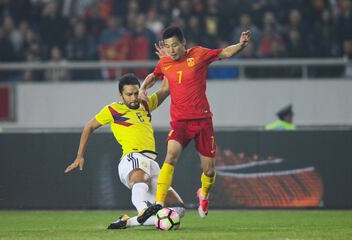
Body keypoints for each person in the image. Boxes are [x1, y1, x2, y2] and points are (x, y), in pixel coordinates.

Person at [137, 26, 251, 223]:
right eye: (168, 46)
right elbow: (154, 75)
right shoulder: (165, 62)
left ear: (183, 43)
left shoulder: (198, 54)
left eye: (175, 45)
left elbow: (224, 52)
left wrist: (241, 45)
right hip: (180, 122)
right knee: (170, 157)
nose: (172, 50)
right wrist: (142, 88)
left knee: (209, 170)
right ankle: (158, 203)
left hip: (202, 121)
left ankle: (204, 195)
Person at [64, 73, 185, 229]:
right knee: (142, 177)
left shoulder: (146, 104)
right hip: (132, 158)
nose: (133, 98)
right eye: (129, 94)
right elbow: (89, 126)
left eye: (136, 93)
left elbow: (166, 88)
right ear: (120, 94)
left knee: (178, 209)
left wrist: (167, 63)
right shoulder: (113, 109)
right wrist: (79, 156)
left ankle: (128, 222)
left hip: (152, 162)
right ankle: (142, 210)